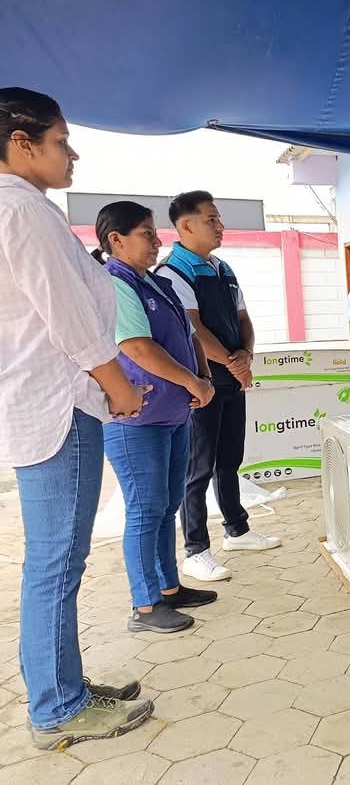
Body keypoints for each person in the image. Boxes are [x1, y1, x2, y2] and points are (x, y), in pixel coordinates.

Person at [0, 87, 153, 748]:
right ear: (21, 142)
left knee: (55, 560)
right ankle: (57, 707)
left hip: (43, 404)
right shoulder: (21, 209)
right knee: (57, 562)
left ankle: (64, 686)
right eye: (61, 141)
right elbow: (68, 317)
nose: (73, 154)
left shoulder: (20, 207)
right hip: (58, 407)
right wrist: (118, 386)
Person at [93, 202, 220, 633]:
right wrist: (193, 383)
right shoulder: (115, 283)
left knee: (167, 505)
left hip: (172, 414)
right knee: (145, 509)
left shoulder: (156, 282)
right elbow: (137, 347)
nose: (156, 240)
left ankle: (169, 587)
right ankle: (145, 606)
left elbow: (190, 334)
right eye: (146, 233)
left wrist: (203, 378)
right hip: (137, 420)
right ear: (116, 240)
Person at [156, 191, 280, 583]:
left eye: (219, 218)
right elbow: (192, 327)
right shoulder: (173, 272)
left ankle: (237, 530)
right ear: (186, 225)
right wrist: (232, 361)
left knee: (229, 459)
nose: (220, 226)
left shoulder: (222, 268)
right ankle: (195, 550)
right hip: (201, 382)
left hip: (232, 377)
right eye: (211, 219)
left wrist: (246, 355)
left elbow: (243, 318)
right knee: (197, 467)